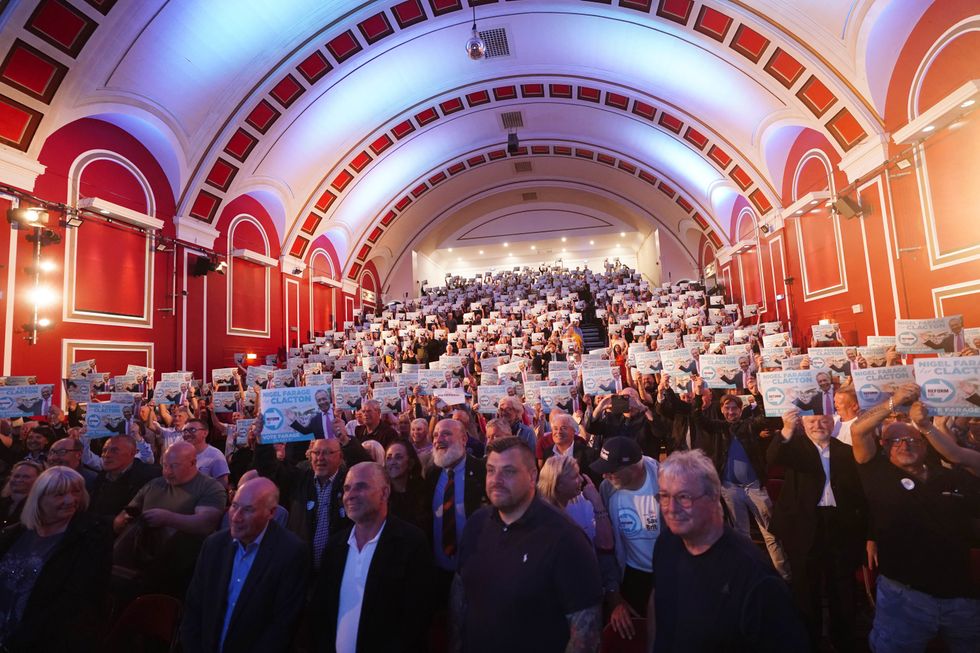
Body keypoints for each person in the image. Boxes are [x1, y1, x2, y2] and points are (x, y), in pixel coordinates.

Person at [850, 383, 980, 652]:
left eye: (912, 440)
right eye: (894, 441)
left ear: (926, 445)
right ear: (884, 449)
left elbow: (965, 458)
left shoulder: (950, 476)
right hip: (904, 599)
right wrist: (893, 403)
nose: (903, 445)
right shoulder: (878, 475)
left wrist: (927, 427)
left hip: (961, 598)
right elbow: (858, 430)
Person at [647, 449, 809, 652]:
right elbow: (659, 598)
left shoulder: (757, 579)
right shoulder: (666, 543)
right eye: (663, 496)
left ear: (714, 497)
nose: (671, 508)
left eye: (684, 497)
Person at [452, 437, 602, 653]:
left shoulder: (566, 538)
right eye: (491, 470)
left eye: (509, 471)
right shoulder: (476, 524)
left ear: (532, 477)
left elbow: (586, 632)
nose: (496, 479)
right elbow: (460, 598)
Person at [767, 409, 868, 652]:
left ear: (832, 422)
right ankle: (807, 639)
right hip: (802, 526)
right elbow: (772, 457)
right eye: (812, 421)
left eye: (823, 420)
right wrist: (787, 429)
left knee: (842, 586)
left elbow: (859, 494)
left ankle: (843, 639)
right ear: (803, 422)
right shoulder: (794, 448)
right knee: (805, 587)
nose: (818, 425)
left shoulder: (845, 450)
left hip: (839, 525)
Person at [311, 462, 432, 653]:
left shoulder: (411, 543)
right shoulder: (335, 546)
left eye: (361, 487)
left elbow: (415, 620)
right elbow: (321, 613)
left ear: (384, 493)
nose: (350, 495)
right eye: (347, 488)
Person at [181, 477, 309, 653]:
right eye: (234, 506)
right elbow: (194, 606)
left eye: (248, 510)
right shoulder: (214, 545)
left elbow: (283, 624)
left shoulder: (290, 553)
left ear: (271, 513)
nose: (236, 517)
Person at [0, 467, 112, 652]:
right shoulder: (14, 534)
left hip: (46, 640)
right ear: (39, 498)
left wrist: (21, 638)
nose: (70, 500)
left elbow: (75, 601)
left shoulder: (92, 536)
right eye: (59, 494)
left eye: (76, 492)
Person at [694, 387, 788, 580]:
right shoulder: (719, 428)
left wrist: (759, 395)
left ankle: (784, 575)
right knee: (742, 535)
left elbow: (766, 417)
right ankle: (749, 575)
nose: (730, 412)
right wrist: (697, 397)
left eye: (734, 408)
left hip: (754, 487)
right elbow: (699, 420)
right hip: (730, 489)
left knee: (771, 533)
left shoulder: (748, 426)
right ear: (722, 410)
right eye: (727, 409)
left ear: (740, 409)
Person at [113, 441, 226, 596]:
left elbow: (205, 523)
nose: (167, 472)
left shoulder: (209, 487)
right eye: (165, 465)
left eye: (174, 466)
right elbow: (124, 515)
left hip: (182, 564)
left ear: (193, 463)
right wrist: (124, 520)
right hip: (141, 555)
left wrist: (168, 519)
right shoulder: (154, 484)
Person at [591, 435, 661, 641]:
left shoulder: (665, 483)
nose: (605, 476)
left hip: (668, 572)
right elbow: (607, 546)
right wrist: (614, 596)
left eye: (611, 470)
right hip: (632, 575)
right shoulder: (608, 489)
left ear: (634, 466)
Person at [424, 418, 487, 603]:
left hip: (474, 571)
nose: (438, 439)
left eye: (446, 434)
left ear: (464, 439)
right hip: (438, 571)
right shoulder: (430, 473)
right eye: (435, 435)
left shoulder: (482, 472)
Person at [537, 455, 614, 548]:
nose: (581, 479)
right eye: (575, 477)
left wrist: (597, 503)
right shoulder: (540, 514)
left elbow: (606, 544)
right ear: (558, 484)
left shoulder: (584, 500)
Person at [88, 434, 162, 517]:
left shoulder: (148, 478)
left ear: (132, 453)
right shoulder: (102, 477)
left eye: (114, 451)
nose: (106, 455)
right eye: (104, 450)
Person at [539, 412, 599, 484]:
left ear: (573, 431)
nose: (558, 432)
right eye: (555, 428)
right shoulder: (547, 452)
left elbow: (594, 482)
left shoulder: (589, 454)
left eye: (563, 428)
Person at [384, 439, 430, 532]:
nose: (393, 462)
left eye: (398, 457)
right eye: (389, 458)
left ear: (410, 463)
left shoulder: (424, 491)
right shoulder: (381, 494)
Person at [181, 418, 231, 490]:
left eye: (192, 430)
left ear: (205, 433)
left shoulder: (215, 456)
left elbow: (222, 486)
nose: (187, 434)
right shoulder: (180, 454)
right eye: (185, 431)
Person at [0, 461, 42, 529]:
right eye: (16, 476)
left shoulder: (38, 508)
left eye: (26, 477)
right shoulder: (2, 502)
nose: (19, 480)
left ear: (38, 480)